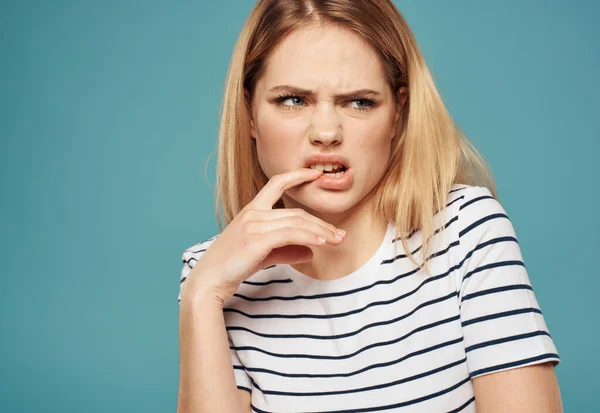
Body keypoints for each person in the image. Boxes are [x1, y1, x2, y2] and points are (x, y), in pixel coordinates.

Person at [176, 1, 563, 412]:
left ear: (398, 113)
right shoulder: (211, 273)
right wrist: (203, 295)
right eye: (292, 100)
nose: (326, 132)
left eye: (359, 102)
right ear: (250, 113)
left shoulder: (466, 231)